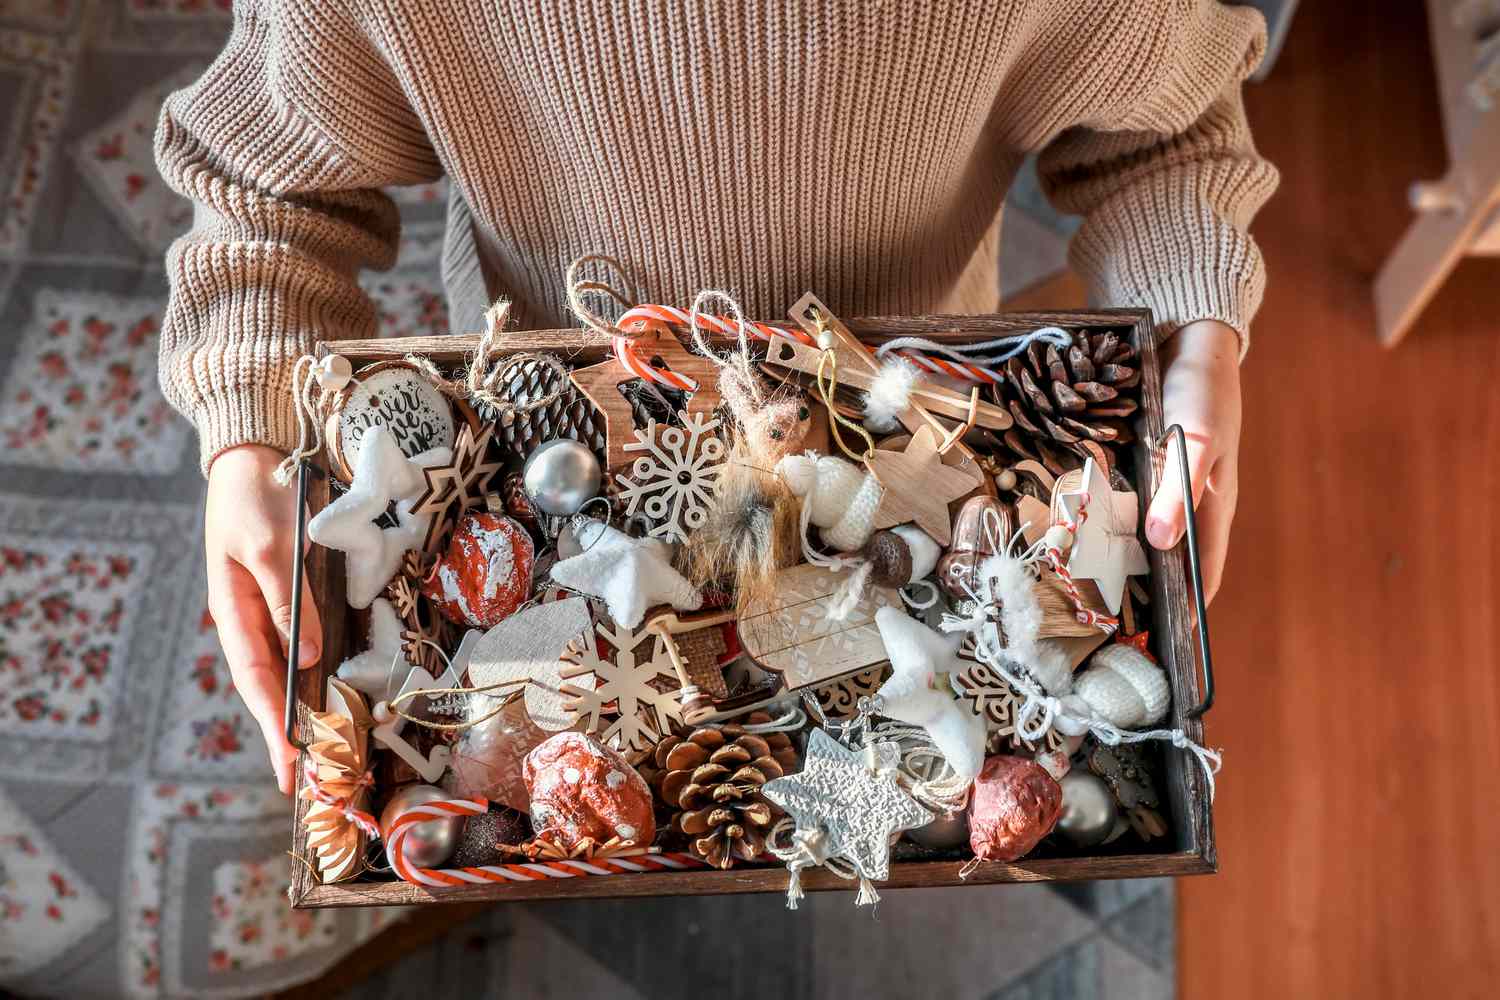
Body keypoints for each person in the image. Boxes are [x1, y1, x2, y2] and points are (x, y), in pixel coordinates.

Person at [157, 1, 1276, 794]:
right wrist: (250, 426)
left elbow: (1166, 136)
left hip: (908, 390)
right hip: (545, 389)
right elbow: (269, 187)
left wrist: (1194, 327)